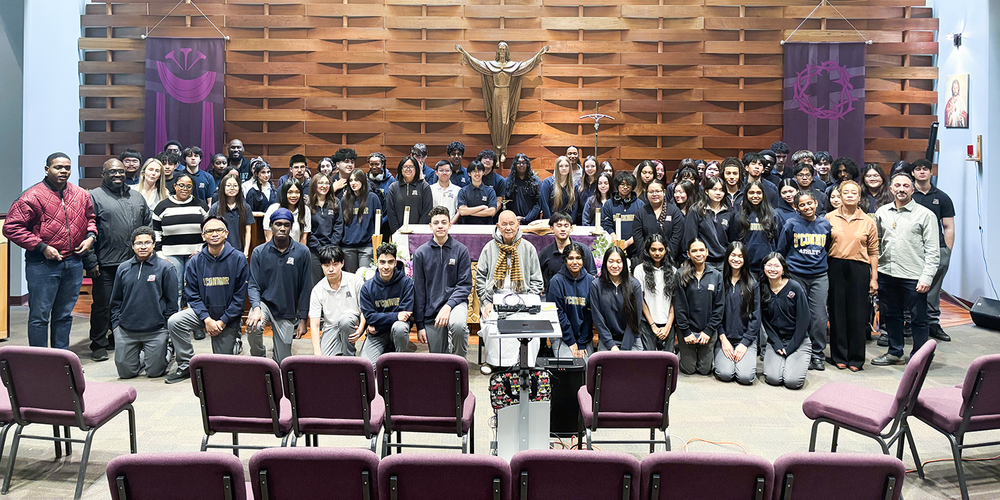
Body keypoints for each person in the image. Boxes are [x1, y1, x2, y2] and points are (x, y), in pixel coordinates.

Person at [3, 152, 96, 348]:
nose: (63, 171)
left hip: (73, 262)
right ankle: (40, 360)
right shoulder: (31, 196)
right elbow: (11, 227)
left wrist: (90, 237)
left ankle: (60, 358)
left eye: (67, 168)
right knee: (40, 316)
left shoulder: (81, 194)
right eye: (58, 167)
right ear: (47, 169)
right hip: (42, 265)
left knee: (64, 314)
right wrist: (42, 247)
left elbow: (91, 220)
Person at [165, 216, 249, 383]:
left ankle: (235, 341)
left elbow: (240, 298)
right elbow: (192, 295)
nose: (214, 234)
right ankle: (186, 365)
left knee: (223, 371)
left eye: (219, 230)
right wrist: (207, 319)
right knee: (175, 321)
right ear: (203, 236)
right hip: (203, 315)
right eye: (210, 231)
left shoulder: (239, 258)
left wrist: (223, 322)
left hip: (227, 318)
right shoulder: (195, 261)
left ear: (226, 233)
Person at [871, 172, 939, 366]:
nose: (901, 189)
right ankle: (895, 352)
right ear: (891, 189)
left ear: (913, 189)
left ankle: (920, 357)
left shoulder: (926, 215)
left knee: (918, 318)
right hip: (887, 273)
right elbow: (876, 244)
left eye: (906, 186)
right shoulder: (882, 212)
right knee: (892, 315)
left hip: (914, 275)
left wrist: (926, 277)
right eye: (898, 186)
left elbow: (933, 251)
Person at [88, 158, 153, 361]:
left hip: (133, 263)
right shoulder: (93, 197)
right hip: (105, 263)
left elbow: (147, 226)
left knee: (129, 304)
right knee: (103, 305)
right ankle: (98, 343)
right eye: (112, 172)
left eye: (121, 171)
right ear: (103, 175)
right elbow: (87, 230)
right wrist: (91, 261)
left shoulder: (137, 197)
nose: (117, 175)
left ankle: (118, 337)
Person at [476, 210, 544, 372]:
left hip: (523, 297)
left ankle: (526, 365)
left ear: (518, 225)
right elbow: (480, 279)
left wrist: (528, 302)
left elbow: (537, 281)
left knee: (533, 328)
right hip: (494, 298)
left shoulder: (528, 248)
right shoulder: (489, 248)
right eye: (504, 224)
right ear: (498, 226)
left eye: (511, 224)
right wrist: (486, 302)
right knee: (491, 324)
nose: (508, 228)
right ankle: (494, 363)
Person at [246, 208, 313, 364]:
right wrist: (256, 308)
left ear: (291, 227)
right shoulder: (259, 252)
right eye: (278, 224)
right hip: (264, 304)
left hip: (287, 309)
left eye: (286, 225)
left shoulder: (303, 252)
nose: (282, 228)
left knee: (283, 363)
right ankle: (259, 359)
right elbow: (253, 285)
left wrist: (303, 319)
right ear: (271, 226)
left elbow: (306, 288)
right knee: (254, 326)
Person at [109, 226, 178, 378]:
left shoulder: (166, 267)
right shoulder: (123, 268)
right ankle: (142, 355)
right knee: (126, 373)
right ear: (132, 245)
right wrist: (116, 326)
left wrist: (166, 328)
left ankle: (167, 350)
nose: (143, 246)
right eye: (139, 243)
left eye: (147, 242)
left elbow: (172, 302)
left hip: (156, 330)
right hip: (126, 330)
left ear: (154, 244)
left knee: (154, 372)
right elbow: (116, 300)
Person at [826, 180, 878, 371]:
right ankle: (839, 356)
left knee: (858, 314)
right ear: (839, 196)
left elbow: (874, 252)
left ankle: (856, 358)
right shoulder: (829, 218)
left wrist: (874, 278)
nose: (849, 195)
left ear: (859, 197)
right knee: (837, 312)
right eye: (845, 192)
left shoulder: (868, 221)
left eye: (853, 193)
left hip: (859, 269)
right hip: (835, 267)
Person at [777, 189, 832, 371]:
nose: (807, 207)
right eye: (802, 205)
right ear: (796, 207)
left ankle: (817, 354)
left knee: (819, 317)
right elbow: (782, 250)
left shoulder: (825, 224)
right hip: (796, 275)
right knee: (797, 315)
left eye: (810, 203)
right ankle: (799, 351)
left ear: (816, 203)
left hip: (819, 276)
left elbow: (828, 246)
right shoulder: (791, 224)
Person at [413, 207, 473, 357]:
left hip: (456, 303)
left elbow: (464, 285)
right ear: (430, 226)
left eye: (444, 222)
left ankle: (460, 363)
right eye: (436, 223)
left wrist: (448, 306)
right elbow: (419, 291)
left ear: (450, 225)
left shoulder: (461, 250)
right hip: (432, 309)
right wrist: (420, 325)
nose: (440, 226)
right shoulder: (420, 253)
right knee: (438, 360)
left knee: (458, 326)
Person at [911, 159, 955, 342]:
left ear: (931, 172)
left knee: (934, 289)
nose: (922, 172)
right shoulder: (908, 194)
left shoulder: (942, 197)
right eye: (918, 169)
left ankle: (932, 323)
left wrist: (947, 251)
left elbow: (948, 226)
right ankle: (909, 322)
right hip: (912, 250)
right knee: (910, 286)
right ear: (912, 173)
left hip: (936, 250)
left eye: (925, 169)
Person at [152, 172, 210, 308]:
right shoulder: (162, 207)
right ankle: (174, 318)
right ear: (175, 186)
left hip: (195, 254)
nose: (185, 189)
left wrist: (202, 249)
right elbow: (156, 233)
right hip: (170, 254)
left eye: (189, 186)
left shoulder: (201, 206)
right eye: (181, 185)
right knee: (175, 289)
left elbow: (208, 230)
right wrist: (160, 254)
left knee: (193, 289)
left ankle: (193, 318)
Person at [760, 252, 811, 389]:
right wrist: (776, 344)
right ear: (764, 267)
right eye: (769, 265)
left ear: (783, 269)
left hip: (798, 341)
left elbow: (804, 320)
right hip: (776, 340)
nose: (772, 269)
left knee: (792, 382)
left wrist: (791, 347)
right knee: (773, 379)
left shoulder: (795, 287)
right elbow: (765, 321)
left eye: (777, 266)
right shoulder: (761, 289)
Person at [674, 238, 724, 375]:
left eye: (701, 250)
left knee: (704, 370)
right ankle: (681, 351)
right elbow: (679, 306)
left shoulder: (716, 275)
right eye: (694, 251)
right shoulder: (680, 274)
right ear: (688, 254)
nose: (698, 253)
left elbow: (719, 307)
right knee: (688, 369)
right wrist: (686, 332)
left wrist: (708, 331)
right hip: (687, 331)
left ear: (707, 252)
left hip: (707, 331)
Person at [359, 242, 415, 365]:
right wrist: (396, 316)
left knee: (400, 327)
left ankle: (399, 361)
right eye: (382, 262)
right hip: (377, 335)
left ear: (395, 262)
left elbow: (405, 315)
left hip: (388, 330)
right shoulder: (367, 288)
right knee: (366, 366)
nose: (386, 266)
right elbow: (370, 317)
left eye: (390, 262)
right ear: (376, 262)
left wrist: (378, 323)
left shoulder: (406, 283)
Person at [308, 246, 366, 356]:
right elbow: (314, 325)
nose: (331, 269)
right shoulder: (317, 290)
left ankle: (349, 358)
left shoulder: (356, 281)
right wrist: (317, 352)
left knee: (345, 321)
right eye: (326, 265)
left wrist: (361, 328)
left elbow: (364, 309)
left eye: (335, 264)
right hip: (331, 327)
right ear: (321, 266)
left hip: (352, 322)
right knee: (326, 361)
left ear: (342, 263)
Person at [715, 242, 761, 384]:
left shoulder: (752, 283)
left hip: (745, 339)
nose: (736, 259)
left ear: (745, 259)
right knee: (726, 374)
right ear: (727, 257)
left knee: (745, 377)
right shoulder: (719, 280)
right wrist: (723, 339)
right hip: (724, 338)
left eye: (740, 256)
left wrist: (745, 343)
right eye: (733, 255)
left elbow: (756, 317)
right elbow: (715, 313)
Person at [546, 243, 595, 359]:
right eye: (571, 258)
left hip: (584, 336)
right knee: (569, 364)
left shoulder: (591, 281)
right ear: (565, 260)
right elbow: (558, 313)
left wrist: (582, 342)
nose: (575, 262)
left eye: (578, 258)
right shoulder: (556, 282)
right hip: (562, 335)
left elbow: (590, 315)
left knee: (586, 365)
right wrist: (571, 341)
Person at [590, 246, 643, 351]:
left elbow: (635, 319)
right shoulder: (596, 285)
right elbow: (598, 318)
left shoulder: (634, 285)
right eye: (611, 261)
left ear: (624, 263)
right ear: (605, 263)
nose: (615, 265)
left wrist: (624, 349)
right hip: (607, 341)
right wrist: (611, 345)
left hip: (631, 340)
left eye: (619, 262)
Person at [632, 234, 678, 352]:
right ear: (648, 251)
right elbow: (640, 299)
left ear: (666, 250)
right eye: (653, 249)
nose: (657, 253)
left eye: (660, 249)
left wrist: (668, 326)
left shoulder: (673, 271)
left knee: (667, 359)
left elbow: (674, 301)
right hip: (647, 323)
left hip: (667, 323)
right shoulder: (640, 270)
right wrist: (653, 325)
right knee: (650, 359)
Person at [682, 177, 734, 271]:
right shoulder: (696, 210)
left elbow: (732, 239)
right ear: (706, 191)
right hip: (703, 260)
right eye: (714, 189)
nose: (718, 193)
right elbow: (691, 238)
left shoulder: (729, 212)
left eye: (721, 190)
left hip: (724, 261)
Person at [631, 178, 685, 264]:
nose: (654, 194)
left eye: (658, 191)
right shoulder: (641, 213)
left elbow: (676, 238)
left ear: (664, 192)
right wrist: (646, 258)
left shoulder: (674, 211)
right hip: (646, 261)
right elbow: (638, 239)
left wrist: (668, 259)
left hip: (670, 260)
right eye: (651, 192)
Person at [538, 212, 597, 291]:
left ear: (571, 228)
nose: (563, 229)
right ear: (551, 229)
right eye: (559, 225)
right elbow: (538, 276)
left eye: (566, 226)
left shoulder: (584, 250)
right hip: (553, 294)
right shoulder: (545, 253)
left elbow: (592, 276)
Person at [734, 180, 780, 275]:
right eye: (751, 193)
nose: (755, 196)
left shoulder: (773, 215)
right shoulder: (739, 216)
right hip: (746, 266)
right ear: (746, 195)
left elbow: (778, 241)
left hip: (768, 266)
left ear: (763, 195)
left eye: (758, 193)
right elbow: (734, 240)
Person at [340, 169, 382, 272]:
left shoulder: (372, 198)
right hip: (348, 246)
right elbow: (340, 223)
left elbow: (378, 221)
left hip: (366, 246)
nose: (353, 183)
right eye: (351, 180)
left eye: (356, 180)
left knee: (364, 276)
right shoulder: (344, 200)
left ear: (363, 181)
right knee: (351, 278)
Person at [307, 172, 344, 284]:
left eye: (327, 183)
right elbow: (307, 230)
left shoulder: (336, 202)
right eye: (321, 183)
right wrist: (319, 249)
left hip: (332, 248)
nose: (324, 186)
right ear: (315, 185)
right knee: (316, 283)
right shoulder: (307, 204)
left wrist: (331, 247)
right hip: (314, 250)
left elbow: (338, 225)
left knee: (333, 281)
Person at [208, 172, 254, 258]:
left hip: (239, 251)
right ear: (223, 187)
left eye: (235, 185)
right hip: (220, 252)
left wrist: (246, 251)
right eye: (228, 185)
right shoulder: (215, 207)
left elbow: (248, 231)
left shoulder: (245, 207)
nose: (232, 188)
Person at [601, 170, 645, 257]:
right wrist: (617, 242)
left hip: (635, 249)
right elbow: (606, 224)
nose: (625, 187)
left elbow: (642, 227)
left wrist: (627, 243)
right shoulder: (609, 204)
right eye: (622, 184)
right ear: (617, 186)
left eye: (628, 184)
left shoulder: (640, 204)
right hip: (614, 247)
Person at [385, 155, 434, 234]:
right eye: (405, 167)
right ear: (401, 169)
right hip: (398, 233)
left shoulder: (424, 186)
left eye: (411, 166)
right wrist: (397, 231)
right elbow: (391, 212)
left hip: (419, 233)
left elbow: (427, 210)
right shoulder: (393, 187)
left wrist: (418, 231)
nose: (408, 169)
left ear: (416, 169)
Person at [263, 178, 310, 246]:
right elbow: (268, 237)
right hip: (275, 250)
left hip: (296, 250)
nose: (294, 196)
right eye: (290, 192)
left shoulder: (305, 210)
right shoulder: (273, 209)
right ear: (284, 193)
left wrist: (300, 252)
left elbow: (303, 238)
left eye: (297, 192)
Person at [457, 160, 498, 225]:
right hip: (467, 227)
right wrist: (482, 207)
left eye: (479, 171)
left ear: (483, 173)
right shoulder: (463, 191)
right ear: (469, 174)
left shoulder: (490, 191)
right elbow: (462, 211)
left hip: (486, 227)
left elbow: (492, 211)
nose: (477, 174)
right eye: (474, 171)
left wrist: (468, 212)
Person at [504, 153, 542, 223]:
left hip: (532, 222)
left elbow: (538, 204)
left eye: (524, 162)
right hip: (512, 222)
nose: (521, 165)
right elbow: (506, 204)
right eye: (519, 162)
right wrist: (513, 218)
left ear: (527, 165)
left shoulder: (536, 182)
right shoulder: (507, 182)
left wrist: (526, 219)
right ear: (515, 165)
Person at [541, 156, 579, 220]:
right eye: (561, 166)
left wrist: (570, 222)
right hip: (551, 221)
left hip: (567, 222)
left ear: (570, 168)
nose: (564, 168)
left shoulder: (574, 186)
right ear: (557, 168)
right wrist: (550, 222)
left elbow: (575, 208)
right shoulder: (548, 182)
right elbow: (544, 204)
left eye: (566, 166)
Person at [476, 149, 506, 219]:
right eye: (485, 158)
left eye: (490, 159)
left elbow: (499, 202)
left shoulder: (499, 180)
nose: (487, 160)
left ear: (494, 162)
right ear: (480, 160)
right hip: (474, 215)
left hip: (492, 217)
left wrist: (489, 214)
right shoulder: (474, 177)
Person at [575, 156, 600, 223]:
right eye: (587, 166)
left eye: (593, 166)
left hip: (597, 218)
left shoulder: (600, 183)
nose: (590, 169)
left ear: (597, 167)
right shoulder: (578, 183)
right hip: (580, 219)